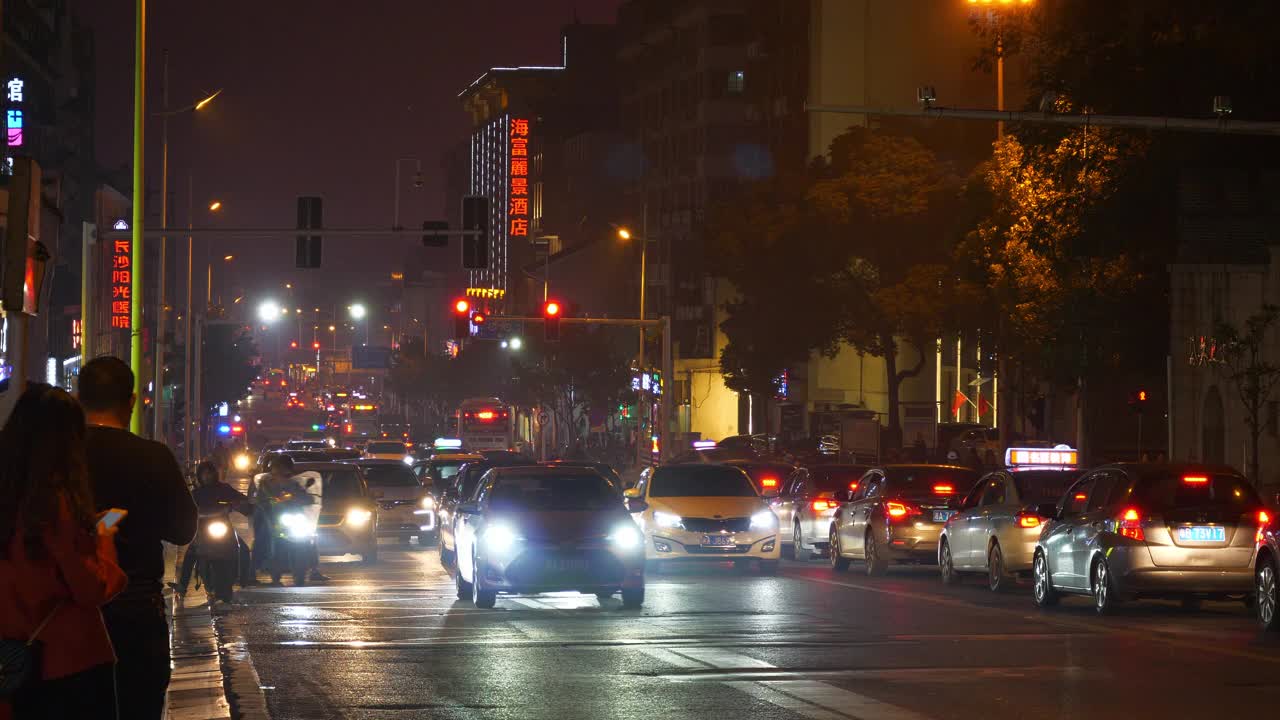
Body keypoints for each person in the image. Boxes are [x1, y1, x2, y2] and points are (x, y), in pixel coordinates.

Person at [79, 357, 197, 720]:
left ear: (78, 397)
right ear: (131, 402)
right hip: (136, 610)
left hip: (68, 612)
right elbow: (182, 529)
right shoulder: (152, 457)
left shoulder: (57, 457)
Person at [0, 384, 128, 720]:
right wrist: (102, 537)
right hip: (67, 662)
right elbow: (91, 588)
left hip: (10, 666)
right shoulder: (53, 505)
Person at [172, 462, 254, 601]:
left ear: (215, 474)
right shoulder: (196, 493)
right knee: (191, 553)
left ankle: (246, 579)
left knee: (244, 549)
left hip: (224, 527)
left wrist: (241, 504)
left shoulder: (224, 488)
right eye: (204, 473)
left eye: (210, 473)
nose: (207, 476)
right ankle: (182, 585)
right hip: (203, 528)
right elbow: (186, 509)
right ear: (200, 476)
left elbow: (241, 499)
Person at [255, 456, 327, 586]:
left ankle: (312, 568)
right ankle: (256, 570)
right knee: (263, 537)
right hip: (273, 518)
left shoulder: (294, 483)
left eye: (284, 467)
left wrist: (304, 498)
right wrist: (270, 501)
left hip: (293, 517)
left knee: (309, 539)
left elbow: (306, 498)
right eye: (279, 467)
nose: (281, 470)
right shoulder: (266, 483)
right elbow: (260, 499)